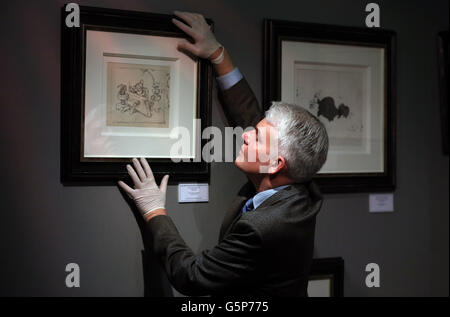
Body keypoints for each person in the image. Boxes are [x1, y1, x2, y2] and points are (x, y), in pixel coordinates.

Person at [118, 11, 329, 297]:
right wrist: (218, 55)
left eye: (257, 137)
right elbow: (251, 117)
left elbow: (191, 276)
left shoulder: (264, 228)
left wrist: (154, 210)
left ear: (276, 164)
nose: (245, 134)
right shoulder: (300, 183)